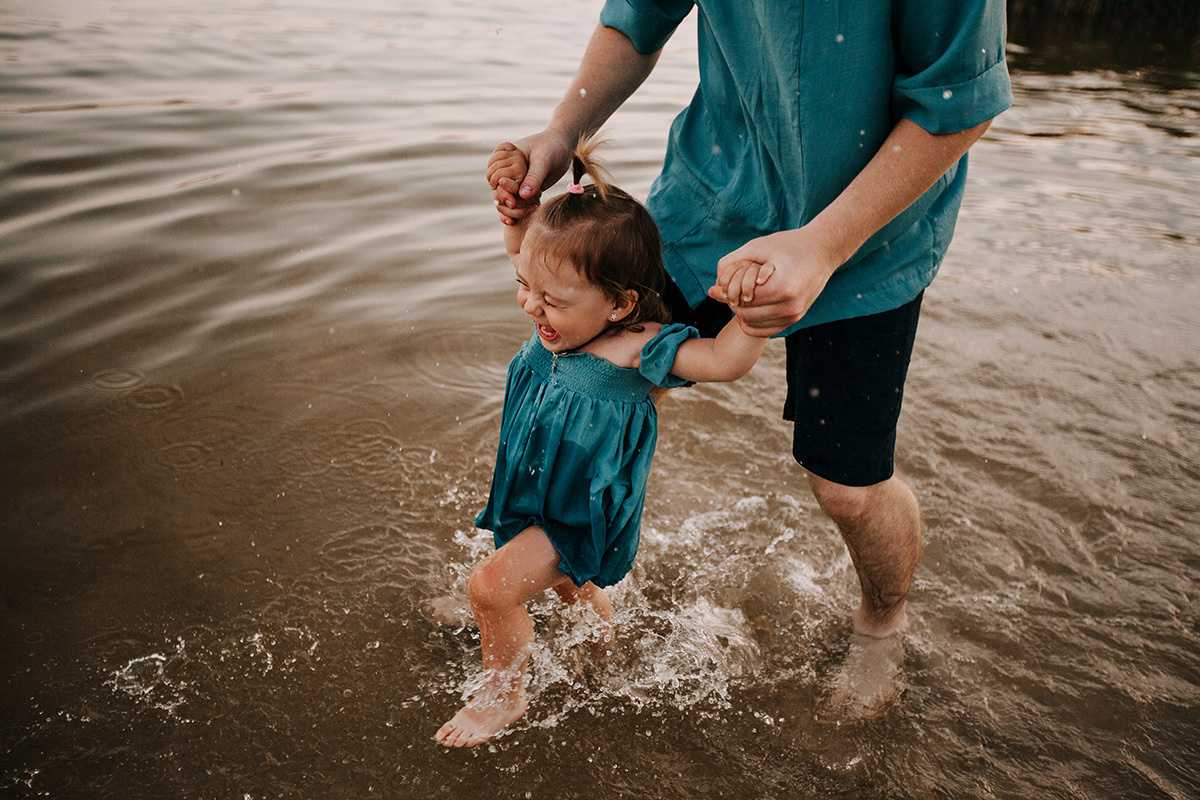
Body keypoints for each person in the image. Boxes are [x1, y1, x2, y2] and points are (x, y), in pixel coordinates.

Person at [491, 2, 1013, 715]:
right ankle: (555, 570)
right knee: (589, 376)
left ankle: (882, 624)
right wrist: (560, 131)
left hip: (870, 237)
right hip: (715, 201)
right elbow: (637, 19)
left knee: (846, 490)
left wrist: (823, 246)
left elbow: (959, 100)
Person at [435, 136, 768, 748]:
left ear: (620, 303)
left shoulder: (641, 349)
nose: (530, 306)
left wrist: (755, 320)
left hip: (582, 510)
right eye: (523, 285)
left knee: (490, 586)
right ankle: (607, 655)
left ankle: (503, 696)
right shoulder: (558, 309)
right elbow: (528, 255)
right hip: (539, 488)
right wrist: (515, 215)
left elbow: (723, 361)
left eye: (550, 300)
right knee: (570, 586)